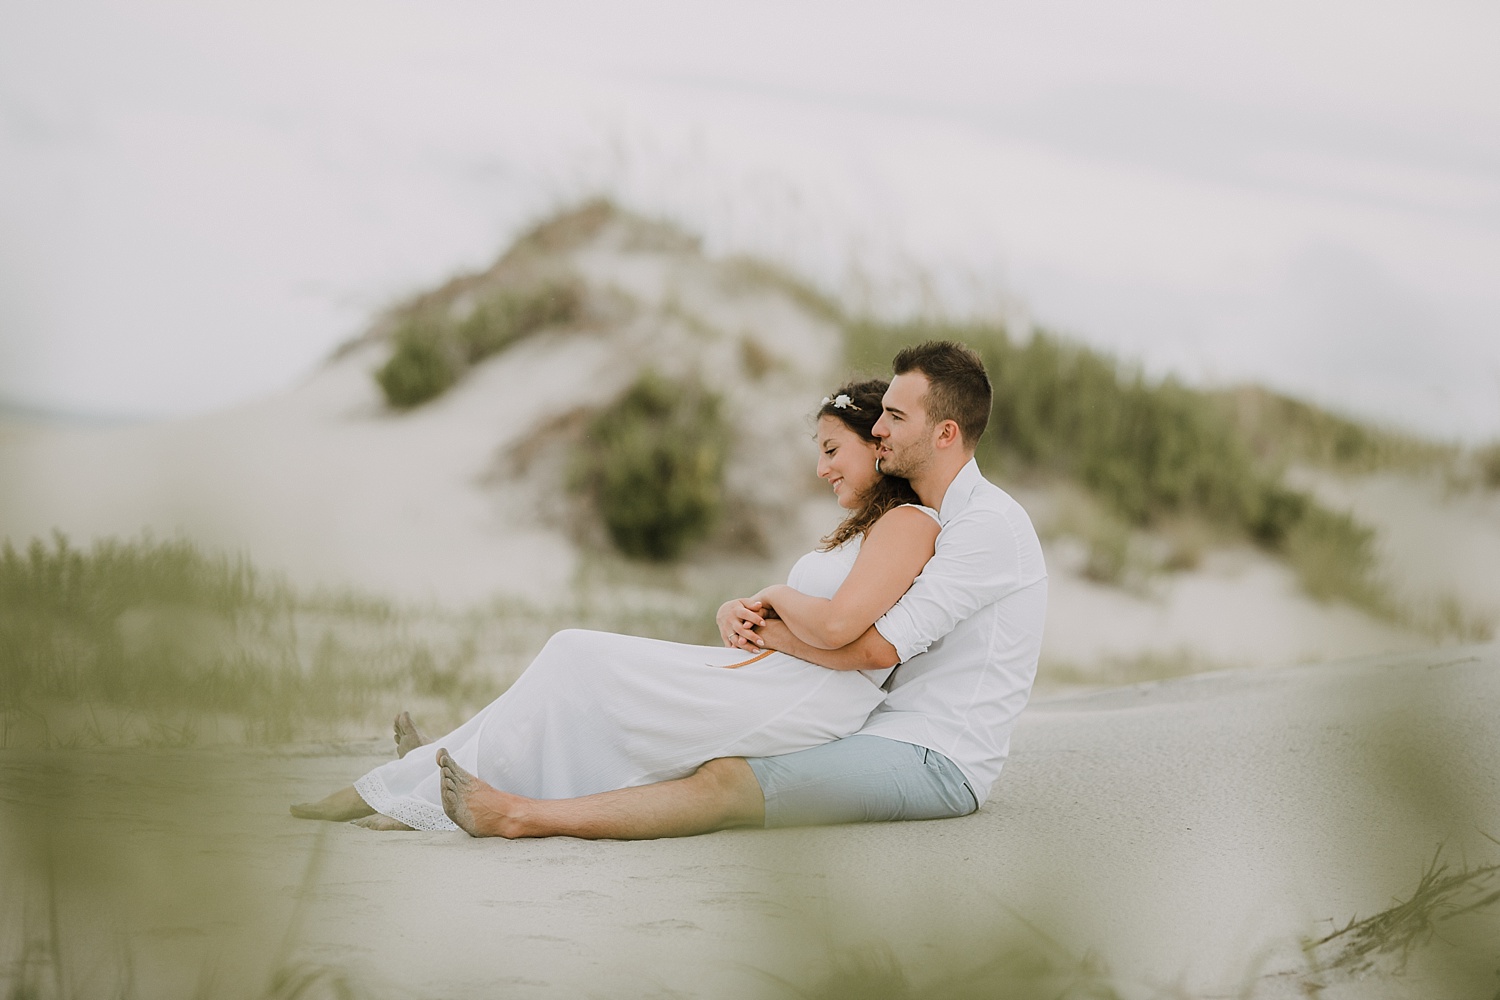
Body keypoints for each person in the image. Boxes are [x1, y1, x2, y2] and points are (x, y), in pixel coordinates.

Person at [415, 340, 1047, 839]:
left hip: (936, 756)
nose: (878, 426)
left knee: (725, 781)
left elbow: (875, 648)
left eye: (895, 415)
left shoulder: (988, 527)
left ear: (944, 434)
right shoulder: (931, 518)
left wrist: (772, 621)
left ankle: (520, 816)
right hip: (871, 722)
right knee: (686, 729)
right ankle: (460, 768)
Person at [291, 375, 944, 831]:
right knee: (572, 662)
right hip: (776, 677)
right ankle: (423, 770)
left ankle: (415, 786)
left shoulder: (910, 522)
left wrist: (772, 599)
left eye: (833, 450)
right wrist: (740, 614)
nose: (824, 468)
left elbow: (837, 626)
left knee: (577, 658)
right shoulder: (862, 527)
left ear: (876, 443)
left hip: (810, 700)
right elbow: (816, 617)